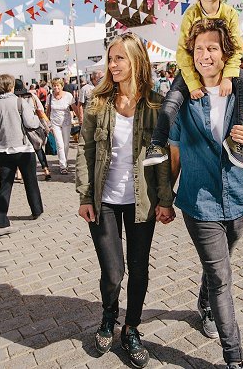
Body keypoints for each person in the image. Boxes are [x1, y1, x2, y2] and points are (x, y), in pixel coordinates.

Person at [169, 19, 243, 369]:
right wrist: (163, 196)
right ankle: (234, 357)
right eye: (198, 49)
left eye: (212, 48)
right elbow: (175, 152)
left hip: (238, 197)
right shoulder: (184, 96)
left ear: (225, 53)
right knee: (221, 277)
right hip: (198, 202)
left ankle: (203, 303)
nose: (204, 55)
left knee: (219, 265)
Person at [76, 32, 175, 368]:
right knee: (113, 271)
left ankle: (131, 328)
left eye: (119, 58)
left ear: (136, 61)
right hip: (103, 199)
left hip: (142, 201)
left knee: (139, 269)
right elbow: (85, 150)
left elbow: (161, 157)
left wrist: (165, 199)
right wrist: (85, 195)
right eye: (110, 58)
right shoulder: (97, 102)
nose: (113, 65)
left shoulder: (156, 105)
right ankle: (108, 317)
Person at [144, 0, 243, 169]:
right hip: (192, 70)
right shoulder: (190, 14)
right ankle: (157, 143)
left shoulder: (230, 13)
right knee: (173, 97)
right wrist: (193, 83)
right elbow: (183, 52)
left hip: (224, 67)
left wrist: (229, 77)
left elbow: (235, 48)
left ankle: (237, 142)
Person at [0, 74, 44, 236]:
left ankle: (1, 222)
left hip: (3, 151)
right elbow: (31, 123)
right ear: (11, 87)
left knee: (5, 185)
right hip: (24, 149)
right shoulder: (21, 102)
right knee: (30, 180)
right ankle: (36, 210)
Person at [14, 79, 51, 180]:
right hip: (33, 126)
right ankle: (46, 169)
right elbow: (40, 109)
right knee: (38, 148)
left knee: (20, 150)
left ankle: (19, 173)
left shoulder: (14, 99)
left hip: (19, 127)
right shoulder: (31, 96)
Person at [46, 78, 77, 175]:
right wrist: (47, 123)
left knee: (66, 144)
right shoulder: (50, 97)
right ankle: (63, 166)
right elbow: (48, 110)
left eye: (57, 85)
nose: (55, 87)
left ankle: (64, 160)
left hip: (66, 122)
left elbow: (75, 108)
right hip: (55, 123)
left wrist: (80, 119)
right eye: (54, 85)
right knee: (60, 145)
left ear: (61, 86)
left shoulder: (68, 96)